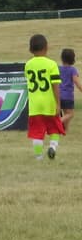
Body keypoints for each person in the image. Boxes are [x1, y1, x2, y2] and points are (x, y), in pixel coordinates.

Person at [24, 33, 62, 161]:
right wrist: (58, 103)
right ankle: (52, 146)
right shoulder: (52, 64)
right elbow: (55, 85)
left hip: (35, 105)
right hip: (49, 103)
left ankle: (38, 157)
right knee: (55, 129)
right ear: (46, 47)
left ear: (30, 49)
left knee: (37, 133)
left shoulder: (28, 65)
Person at [59, 48, 77, 134]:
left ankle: (65, 131)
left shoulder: (58, 69)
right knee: (70, 114)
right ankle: (57, 123)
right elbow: (76, 81)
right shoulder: (72, 70)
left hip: (58, 95)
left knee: (66, 113)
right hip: (68, 96)